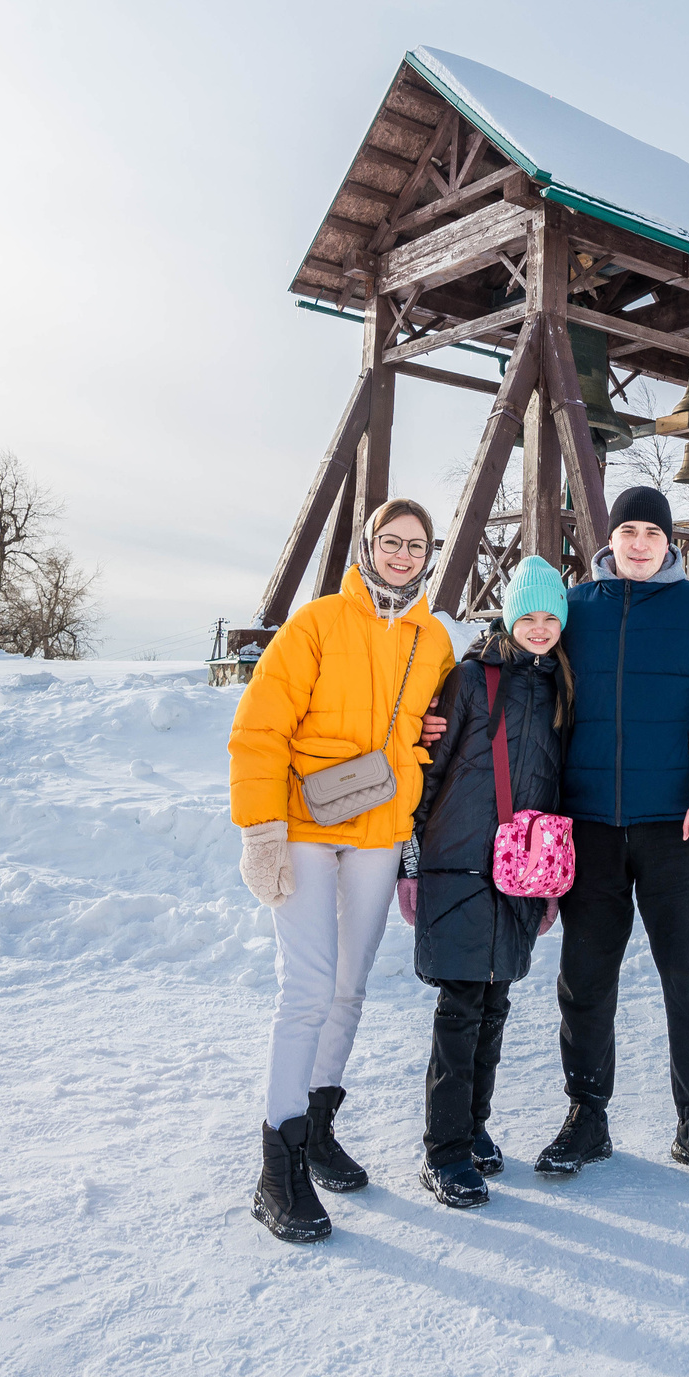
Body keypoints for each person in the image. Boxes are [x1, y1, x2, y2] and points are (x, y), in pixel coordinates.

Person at [228, 499, 456, 1243]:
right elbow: (260, 726)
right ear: (367, 545)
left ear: (430, 554)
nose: (400, 553)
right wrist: (260, 830)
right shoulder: (319, 622)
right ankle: (277, 1161)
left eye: (414, 544)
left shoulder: (433, 641)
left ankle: (317, 1123)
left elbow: (434, 733)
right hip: (303, 823)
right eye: (389, 540)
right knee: (308, 986)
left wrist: (427, 736)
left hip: (379, 831)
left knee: (351, 987)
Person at [539, 486, 689, 1188]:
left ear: (670, 542)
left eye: (651, 533)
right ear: (611, 538)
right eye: (627, 530)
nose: (638, 543)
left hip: (678, 828)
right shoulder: (578, 607)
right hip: (592, 824)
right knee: (585, 978)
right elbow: (525, 668)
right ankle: (586, 1115)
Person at [404, 557, 571, 1210]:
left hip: (522, 873)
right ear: (507, 616)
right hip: (459, 862)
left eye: (549, 617)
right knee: (461, 1009)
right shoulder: (472, 679)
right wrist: (411, 860)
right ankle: (442, 1151)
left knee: (495, 1007)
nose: (538, 627)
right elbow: (429, 767)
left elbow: (555, 788)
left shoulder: (560, 688)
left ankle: (473, 1127)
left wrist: (552, 880)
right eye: (527, 615)